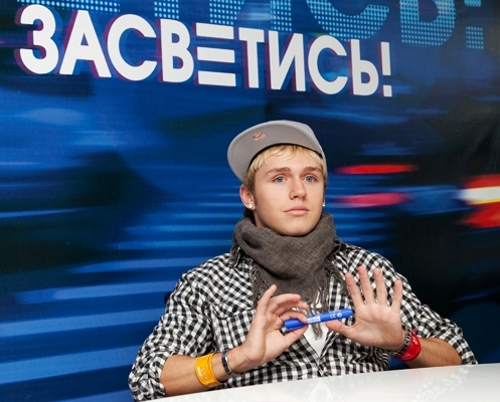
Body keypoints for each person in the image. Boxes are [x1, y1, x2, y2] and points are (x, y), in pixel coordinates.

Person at [128, 120, 476, 400]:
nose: (299, 191)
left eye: (310, 177)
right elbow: (147, 380)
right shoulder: (208, 282)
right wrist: (238, 358)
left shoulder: (369, 271)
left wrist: (402, 343)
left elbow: (462, 360)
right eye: (279, 178)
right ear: (249, 196)